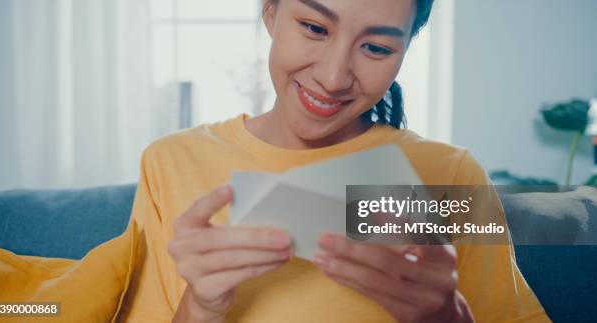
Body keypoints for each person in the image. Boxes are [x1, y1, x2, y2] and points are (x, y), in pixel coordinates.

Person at [117, 0, 550, 322]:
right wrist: (201, 306)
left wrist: (446, 318)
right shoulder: (171, 161)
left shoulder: (451, 175)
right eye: (313, 27)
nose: (333, 77)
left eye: (377, 49)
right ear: (270, 12)